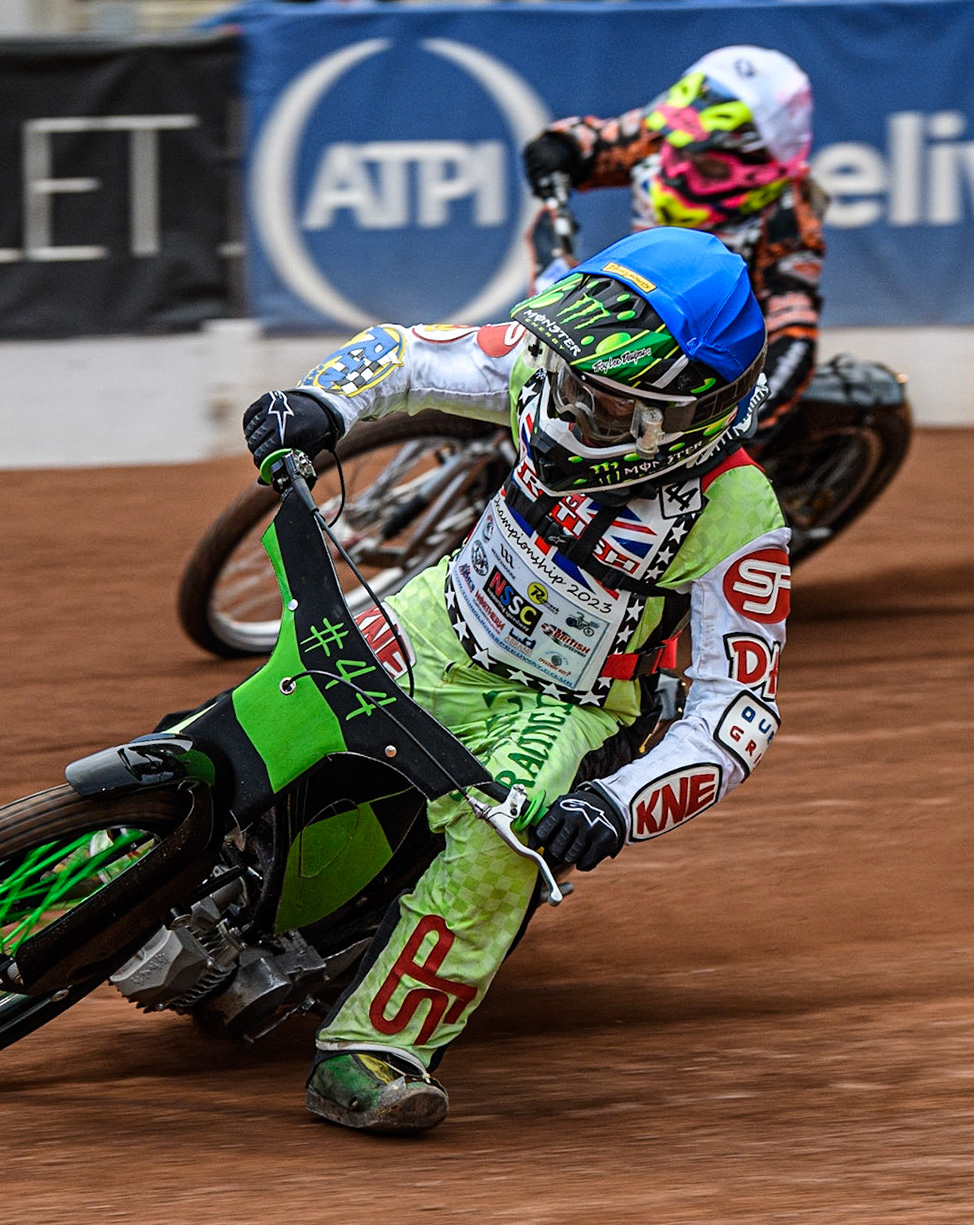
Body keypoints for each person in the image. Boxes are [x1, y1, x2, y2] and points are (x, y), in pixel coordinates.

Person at [241, 227, 791, 1134]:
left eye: (609, 407)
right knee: (277, 694)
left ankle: (375, 1049)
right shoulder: (554, 372)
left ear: (680, 414)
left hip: (563, 707)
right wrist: (322, 401)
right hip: (441, 617)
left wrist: (620, 803)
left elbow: (738, 706)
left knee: (507, 838)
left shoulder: (739, 512)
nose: (570, 410)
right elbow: (414, 356)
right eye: (573, 381)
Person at [523, 46, 823, 444]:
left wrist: (745, 418)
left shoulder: (788, 217)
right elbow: (589, 142)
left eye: (708, 165)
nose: (680, 167)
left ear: (763, 162)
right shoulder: (676, 132)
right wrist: (555, 152)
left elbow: (794, 330)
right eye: (677, 149)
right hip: (628, 304)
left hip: (704, 360)